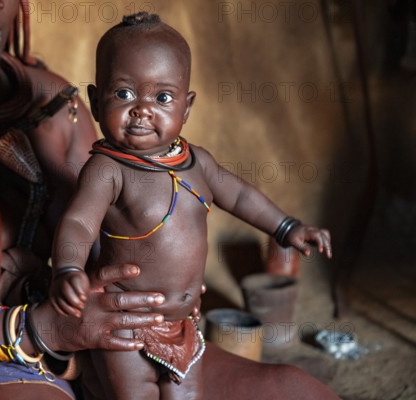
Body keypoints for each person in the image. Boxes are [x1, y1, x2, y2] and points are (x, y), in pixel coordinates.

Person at [0, 1, 340, 399]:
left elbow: (121, 229)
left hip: (116, 350)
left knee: (297, 389)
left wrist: (160, 282)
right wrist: (38, 328)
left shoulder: (54, 99)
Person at [49, 12, 333, 400]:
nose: (142, 109)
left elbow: (241, 196)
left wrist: (286, 228)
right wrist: (68, 267)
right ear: (96, 103)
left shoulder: (198, 162)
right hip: (125, 320)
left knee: (186, 395)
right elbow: (79, 224)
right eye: (124, 94)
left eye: (162, 97)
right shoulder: (107, 169)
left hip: (185, 322)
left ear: (186, 107)